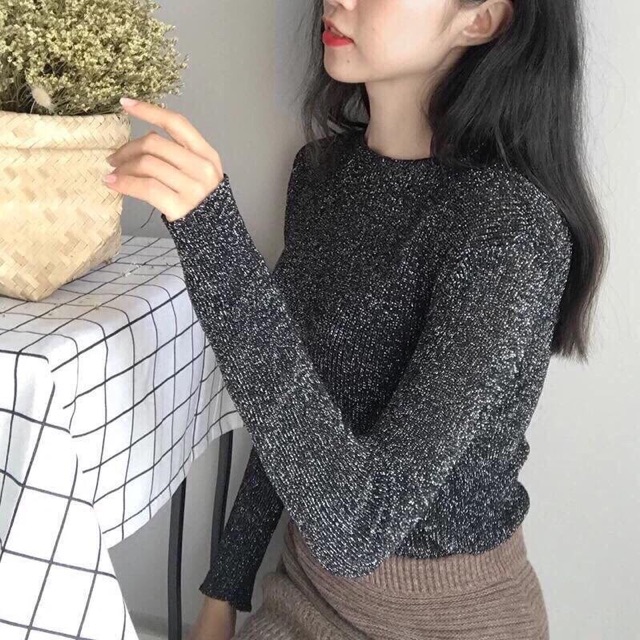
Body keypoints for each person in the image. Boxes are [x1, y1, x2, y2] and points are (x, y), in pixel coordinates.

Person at [168, 0, 607, 638]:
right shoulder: (321, 175)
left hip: (448, 621)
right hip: (302, 589)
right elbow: (297, 413)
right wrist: (223, 593)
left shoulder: (509, 228)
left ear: (480, 19)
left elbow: (361, 530)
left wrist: (214, 242)